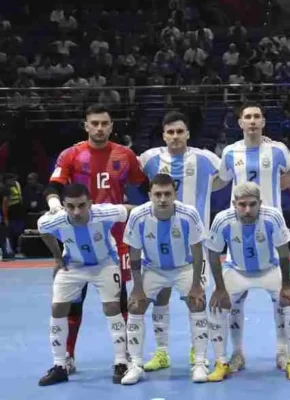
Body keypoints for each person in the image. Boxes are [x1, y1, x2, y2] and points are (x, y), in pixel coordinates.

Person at [44, 103, 149, 374]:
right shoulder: (72, 154)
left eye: (105, 123)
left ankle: (124, 355)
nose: (100, 128)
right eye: (95, 123)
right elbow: (54, 185)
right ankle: (67, 357)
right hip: (77, 237)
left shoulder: (125, 155)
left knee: (118, 300)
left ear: (111, 126)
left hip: (116, 238)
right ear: (86, 125)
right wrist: (55, 205)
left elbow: (143, 185)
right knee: (71, 300)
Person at [218, 102, 290, 373]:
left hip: (270, 229)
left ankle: (282, 352)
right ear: (240, 123)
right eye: (247, 117)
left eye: (256, 117)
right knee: (233, 302)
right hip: (239, 232)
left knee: (281, 298)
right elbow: (222, 180)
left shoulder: (277, 149)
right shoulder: (230, 152)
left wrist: (273, 190)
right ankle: (237, 353)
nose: (252, 121)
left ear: (263, 121)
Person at [138, 111, 223, 370]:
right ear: (163, 135)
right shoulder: (149, 158)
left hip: (194, 242)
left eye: (180, 131)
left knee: (194, 297)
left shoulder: (207, 159)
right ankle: (162, 352)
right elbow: (129, 170)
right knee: (160, 296)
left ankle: (196, 352)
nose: (175, 136)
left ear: (188, 133)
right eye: (170, 132)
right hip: (157, 241)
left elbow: (224, 180)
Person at [206, 182, 290, 381]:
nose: (248, 210)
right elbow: (213, 253)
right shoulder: (222, 220)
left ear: (260, 203)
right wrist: (219, 288)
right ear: (234, 203)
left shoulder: (273, 216)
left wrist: (287, 285)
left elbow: (284, 251)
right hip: (237, 271)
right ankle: (226, 359)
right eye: (242, 205)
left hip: (270, 269)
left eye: (252, 204)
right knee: (217, 307)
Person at [37, 183, 133, 386]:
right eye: (70, 206)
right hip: (73, 265)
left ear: (90, 203)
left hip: (105, 264)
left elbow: (132, 210)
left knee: (112, 307)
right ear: (63, 205)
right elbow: (43, 232)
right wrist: (57, 258)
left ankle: (121, 362)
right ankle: (60, 365)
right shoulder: (52, 220)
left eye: (81, 205)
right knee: (58, 308)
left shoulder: (105, 212)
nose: (76, 211)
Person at [120, 173, 209, 384]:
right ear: (150, 194)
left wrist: (196, 285)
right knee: (135, 307)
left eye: (167, 194)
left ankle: (199, 362)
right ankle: (135, 364)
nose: (162, 199)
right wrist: (137, 287)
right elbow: (134, 254)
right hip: (153, 269)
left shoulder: (189, 214)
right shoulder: (138, 216)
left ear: (174, 194)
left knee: (197, 304)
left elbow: (198, 252)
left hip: (184, 268)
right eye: (157, 194)